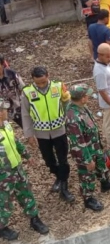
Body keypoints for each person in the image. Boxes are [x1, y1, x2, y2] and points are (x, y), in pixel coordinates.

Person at [65, 84, 110, 212]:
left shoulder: (81, 107)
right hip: (86, 153)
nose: (88, 97)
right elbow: (78, 143)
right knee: (87, 175)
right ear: (82, 98)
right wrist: (87, 160)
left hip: (94, 147)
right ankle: (88, 198)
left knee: (101, 165)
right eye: (87, 96)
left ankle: (105, 183)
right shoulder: (72, 118)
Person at [21, 67, 75, 202]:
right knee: (49, 160)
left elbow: (66, 102)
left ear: (48, 76)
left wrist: (68, 120)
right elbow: (25, 114)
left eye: (44, 82)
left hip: (59, 130)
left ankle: (64, 187)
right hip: (42, 133)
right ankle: (58, 175)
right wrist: (29, 134)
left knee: (63, 159)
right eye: (38, 83)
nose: (41, 85)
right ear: (32, 79)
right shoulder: (27, 92)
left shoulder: (58, 86)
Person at [0, 97, 49, 241]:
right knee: (4, 201)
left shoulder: (6, 125)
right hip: (3, 176)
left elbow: (14, 142)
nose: (6, 112)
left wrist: (26, 155)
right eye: (3, 110)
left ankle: (34, 219)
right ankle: (2, 227)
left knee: (26, 192)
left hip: (17, 168)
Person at [88, 10, 110, 87]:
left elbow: (90, 42)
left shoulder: (91, 27)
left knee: (102, 71)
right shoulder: (106, 30)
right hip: (106, 55)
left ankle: (105, 85)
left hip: (97, 55)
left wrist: (91, 55)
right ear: (105, 18)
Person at [0, 55, 24, 128]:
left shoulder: (11, 73)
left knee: (29, 129)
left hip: (18, 107)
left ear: (2, 64)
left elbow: (23, 88)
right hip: (2, 112)